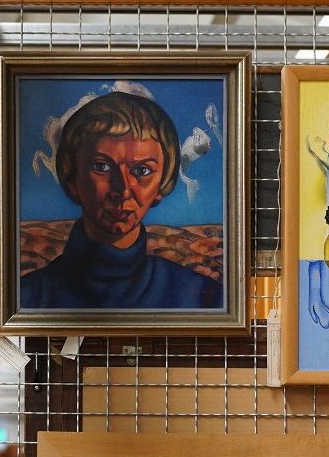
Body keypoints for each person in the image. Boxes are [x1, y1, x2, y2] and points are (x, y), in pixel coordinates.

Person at [20, 90, 224, 311]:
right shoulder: (28, 299)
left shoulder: (205, 298)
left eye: (142, 170)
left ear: (162, 182)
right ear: (72, 179)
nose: (123, 189)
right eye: (101, 167)